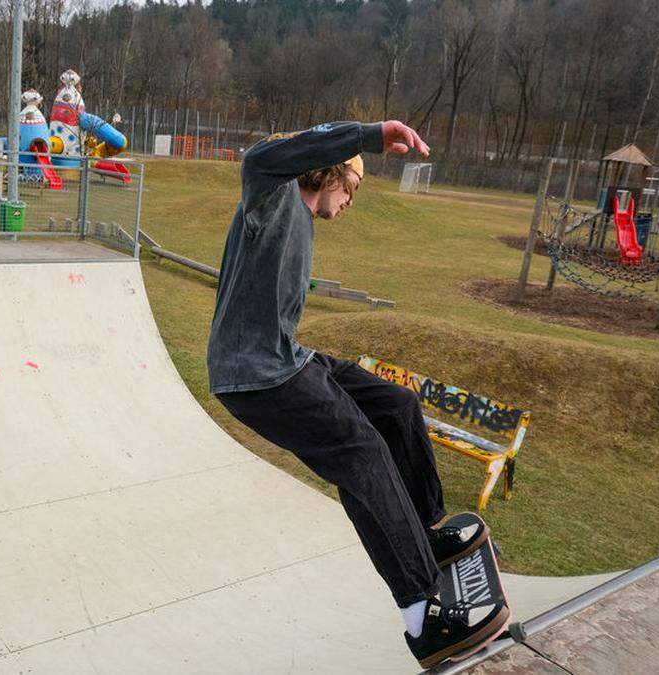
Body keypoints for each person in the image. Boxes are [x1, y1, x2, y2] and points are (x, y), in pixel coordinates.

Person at [206, 120, 510, 667]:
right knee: (361, 453)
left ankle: (423, 533)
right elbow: (266, 155)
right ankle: (422, 617)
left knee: (397, 407)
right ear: (335, 174)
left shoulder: (302, 220)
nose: (350, 204)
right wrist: (370, 135)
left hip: (289, 360)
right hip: (254, 375)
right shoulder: (270, 196)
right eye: (353, 190)